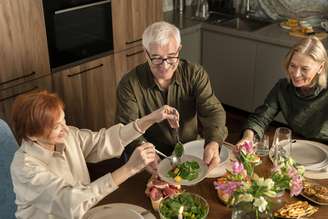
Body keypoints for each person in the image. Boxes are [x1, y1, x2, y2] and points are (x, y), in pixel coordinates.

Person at [10, 90, 179, 219]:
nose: (66, 129)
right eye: (56, 127)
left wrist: (151, 118)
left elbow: (103, 140)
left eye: (64, 120)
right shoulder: (25, 168)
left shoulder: (67, 136)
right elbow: (71, 203)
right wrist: (129, 169)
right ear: (32, 136)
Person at [115, 21, 228, 172]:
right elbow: (126, 127)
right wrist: (144, 150)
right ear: (145, 53)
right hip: (149, 154)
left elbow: (213, 111)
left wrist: (214, 142)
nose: (165, 65)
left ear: (179, 50)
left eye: (171, 56)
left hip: (189, 151)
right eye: (156, 58)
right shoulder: (129, 84)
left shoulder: (195, 74)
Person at [238, 36, 328, 145]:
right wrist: (247, 138)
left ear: (321, 67)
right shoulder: (283, 87)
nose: (296, 74)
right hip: (298, 142)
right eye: (293, 65)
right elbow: (260, 119)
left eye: (304, 69)